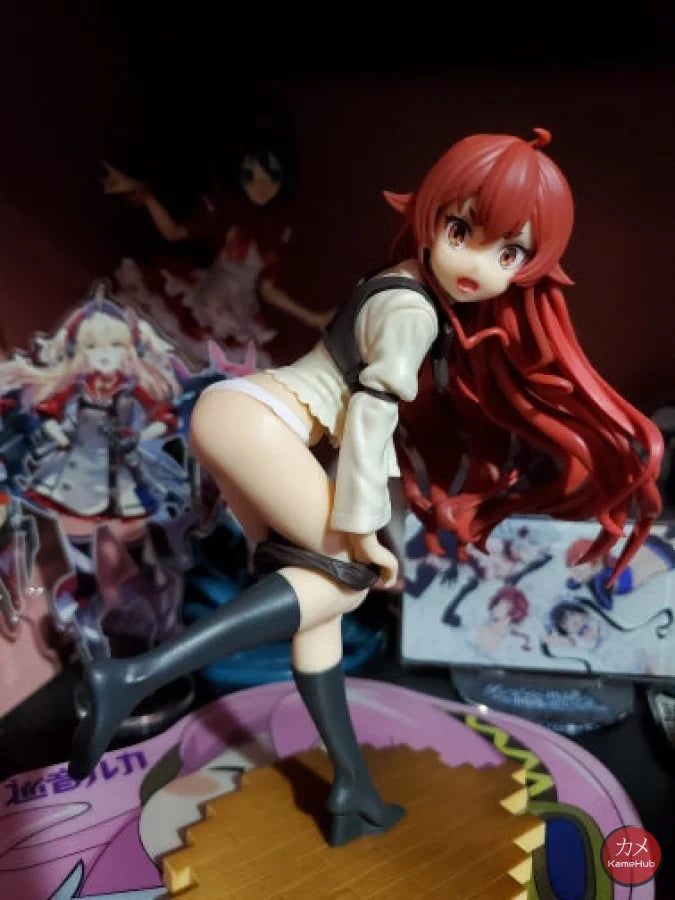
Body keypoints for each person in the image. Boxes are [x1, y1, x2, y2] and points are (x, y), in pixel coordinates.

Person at [68, 129, 663, 847]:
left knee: (317, 611)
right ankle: (134, 676)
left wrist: (374, 529)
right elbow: (371, 422)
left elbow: (376, 434)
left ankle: (349, 780)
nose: (478, 265)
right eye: (461, 232)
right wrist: (364, 536)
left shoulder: (405, 283)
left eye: (508, 254)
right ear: (431, 216)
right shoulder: (414, 311)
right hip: (259, 424)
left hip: (241, 417)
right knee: (345, 580)